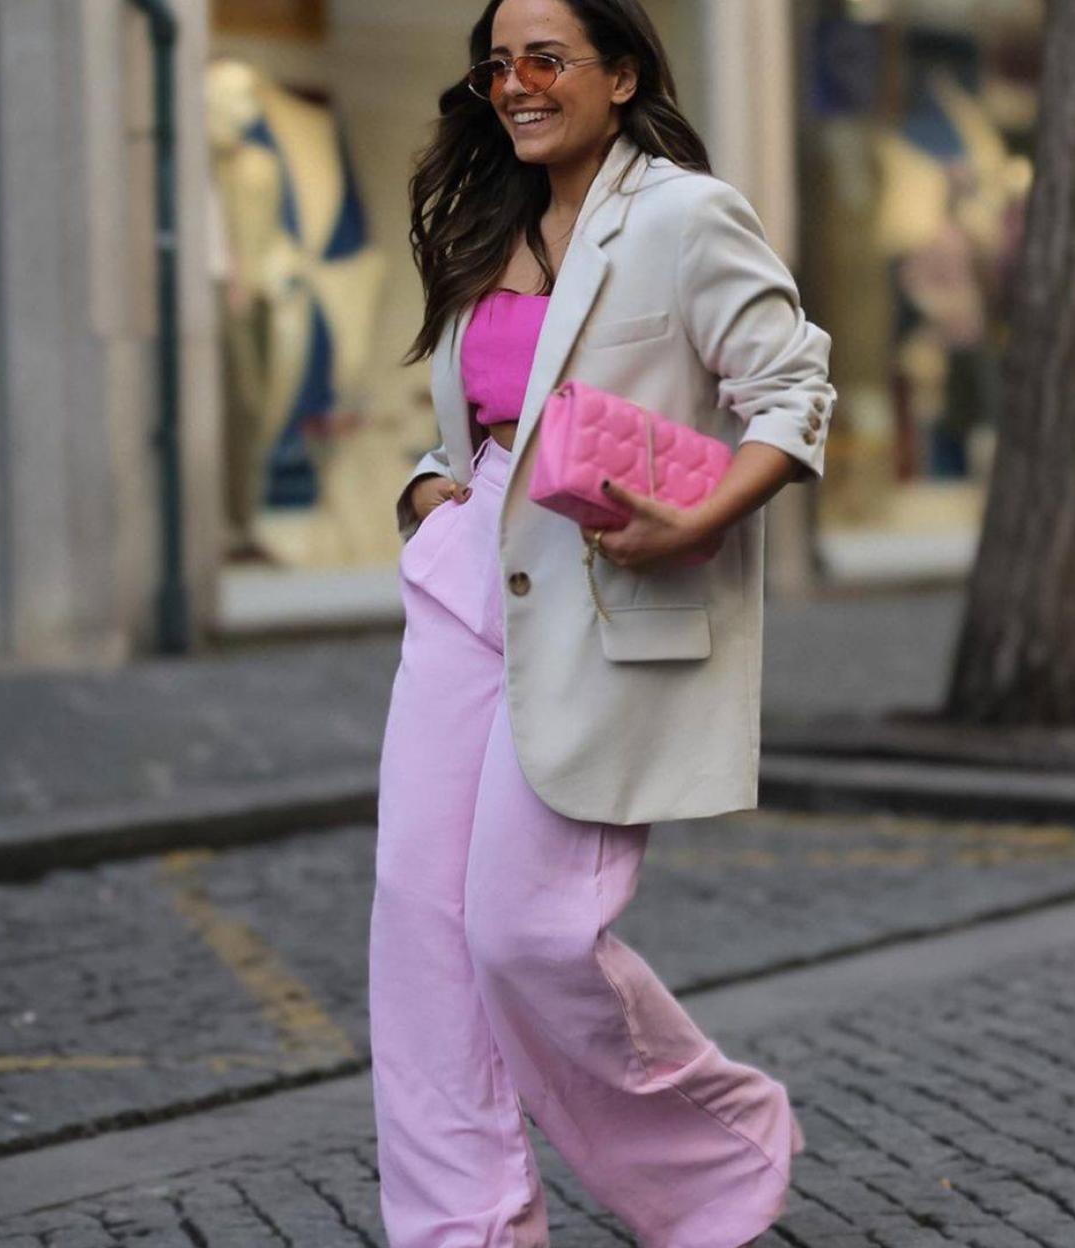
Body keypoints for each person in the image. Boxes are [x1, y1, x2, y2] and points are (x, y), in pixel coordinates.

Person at [368, 1, 836, 1244]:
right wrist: (424, 490)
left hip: (606, 586)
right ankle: (462, 1227)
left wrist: (701, 521)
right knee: (418, 928)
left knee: (526, 933)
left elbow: (793, 390)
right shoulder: (490, 223)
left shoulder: (682, 214)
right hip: (464, 580)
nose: (517, 84)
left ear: (621, 74)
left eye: (546, 58)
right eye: (498, 66)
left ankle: (722, 1151)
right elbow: (475, 418)